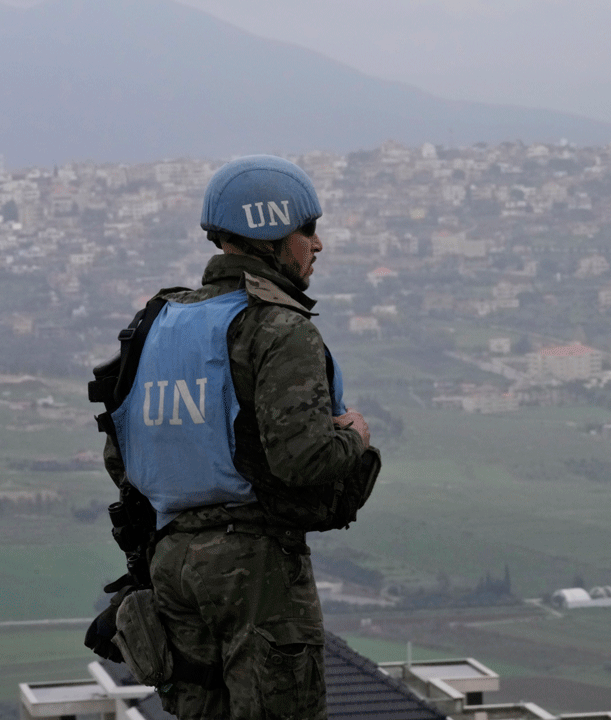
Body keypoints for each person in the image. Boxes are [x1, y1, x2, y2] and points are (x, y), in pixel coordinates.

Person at [94, 155, 377, 719]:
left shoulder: (159, 321)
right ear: (272, 232)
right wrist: (357, 440)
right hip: (255, 568)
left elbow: (121, 452)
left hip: (170, 563)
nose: (316, 247)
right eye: (308, 230)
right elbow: (303, 458)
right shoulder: (277, 325)